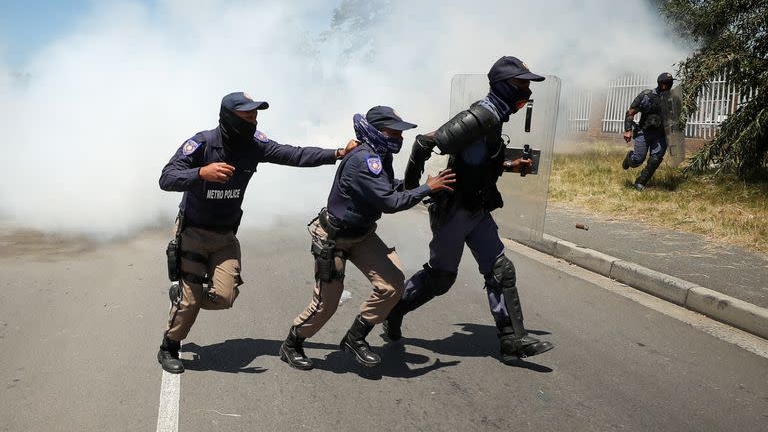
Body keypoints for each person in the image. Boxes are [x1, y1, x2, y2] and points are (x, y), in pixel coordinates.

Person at [156, 91, 357, 374]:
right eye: (247, 115)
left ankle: (182, 297)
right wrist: (201, 173)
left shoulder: (255, 144)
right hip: (193, 232)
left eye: (255, 115)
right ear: (228, 117)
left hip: (225, 235)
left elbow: (294, 154)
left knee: (224, 297)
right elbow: (166, 178)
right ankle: (169, 345)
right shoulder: (202, 143)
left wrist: (337, 154)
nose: (254, 120)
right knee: (190, 301)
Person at [383, 56, 555, 365]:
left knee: (501, 269)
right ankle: (392, 310)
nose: (527, 91)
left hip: (477, 207)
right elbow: (423, 143)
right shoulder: (480, 116)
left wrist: (509, 165)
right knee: (441, 279)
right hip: (454, 210)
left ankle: (512, 340)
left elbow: (477, 162)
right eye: (521, 84)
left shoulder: (495, 118)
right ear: (504, 86)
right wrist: (411, 189)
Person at [279, 106, 456, 370]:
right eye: (393, 132)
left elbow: (385, 186)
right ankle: (292, 344)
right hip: (334, 238)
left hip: (361, 234)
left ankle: (355, 337)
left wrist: (420, 187)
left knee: (392, 284)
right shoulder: (365, 160)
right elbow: (389, 202)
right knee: (327, 303)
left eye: (400, 132)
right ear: (376, 131)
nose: (399, 137)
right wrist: (425, 188)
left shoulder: (379, 155)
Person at [622, 72, 675, 191]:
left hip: (660, 135)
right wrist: (628, 130)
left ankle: (641, 182)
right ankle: (630, 157)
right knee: (637, 161)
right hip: (644, 132)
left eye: (671, 82)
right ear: (662, 85)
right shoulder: (647, 96)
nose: (671, 85)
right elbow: (630, 113)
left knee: (655, 159)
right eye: (668, 83)